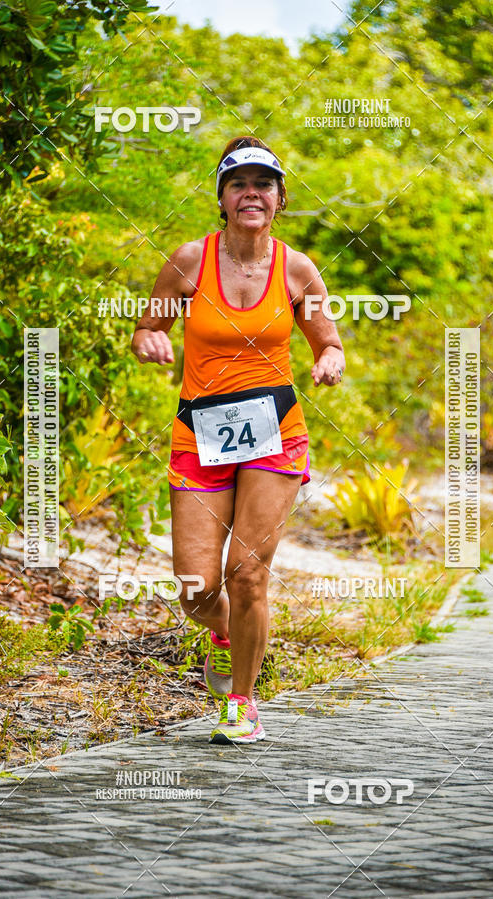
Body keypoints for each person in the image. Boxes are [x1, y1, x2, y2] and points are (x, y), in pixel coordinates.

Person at [131, 136, 345, 744]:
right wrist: (149, 339)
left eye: (263, 184)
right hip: (200, 431)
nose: (251, 193)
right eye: (238, 184)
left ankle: (243, 701)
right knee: (197, 587)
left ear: (279, 199)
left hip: (275, 429)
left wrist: (330, 359)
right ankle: (225, 636)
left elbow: (326, 340)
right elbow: (149, 325)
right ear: (222, 199)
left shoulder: (298, 268)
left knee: (248, 572)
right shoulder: (188, 261)